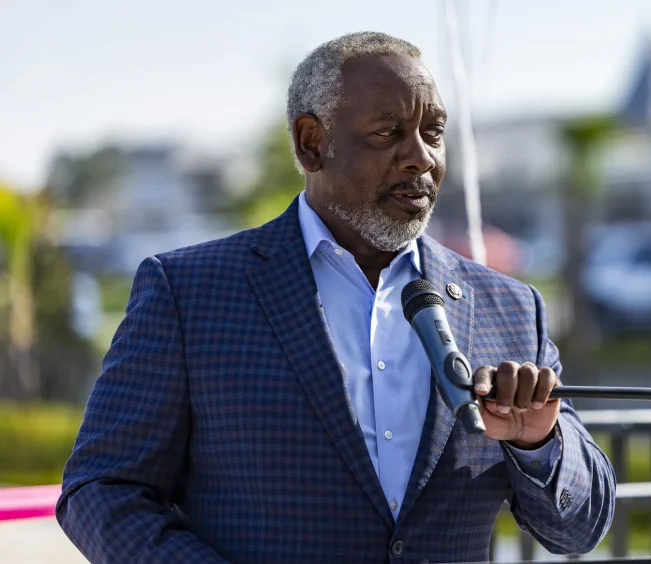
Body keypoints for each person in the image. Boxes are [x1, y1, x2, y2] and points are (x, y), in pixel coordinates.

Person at [56, 31, 616, 563]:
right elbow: (101, 489)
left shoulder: (511, 307)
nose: (421, 156)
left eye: (434, 131)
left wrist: (540, 440)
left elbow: (579, 528)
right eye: (387, 132)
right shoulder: (189, 292)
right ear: (311, 143)